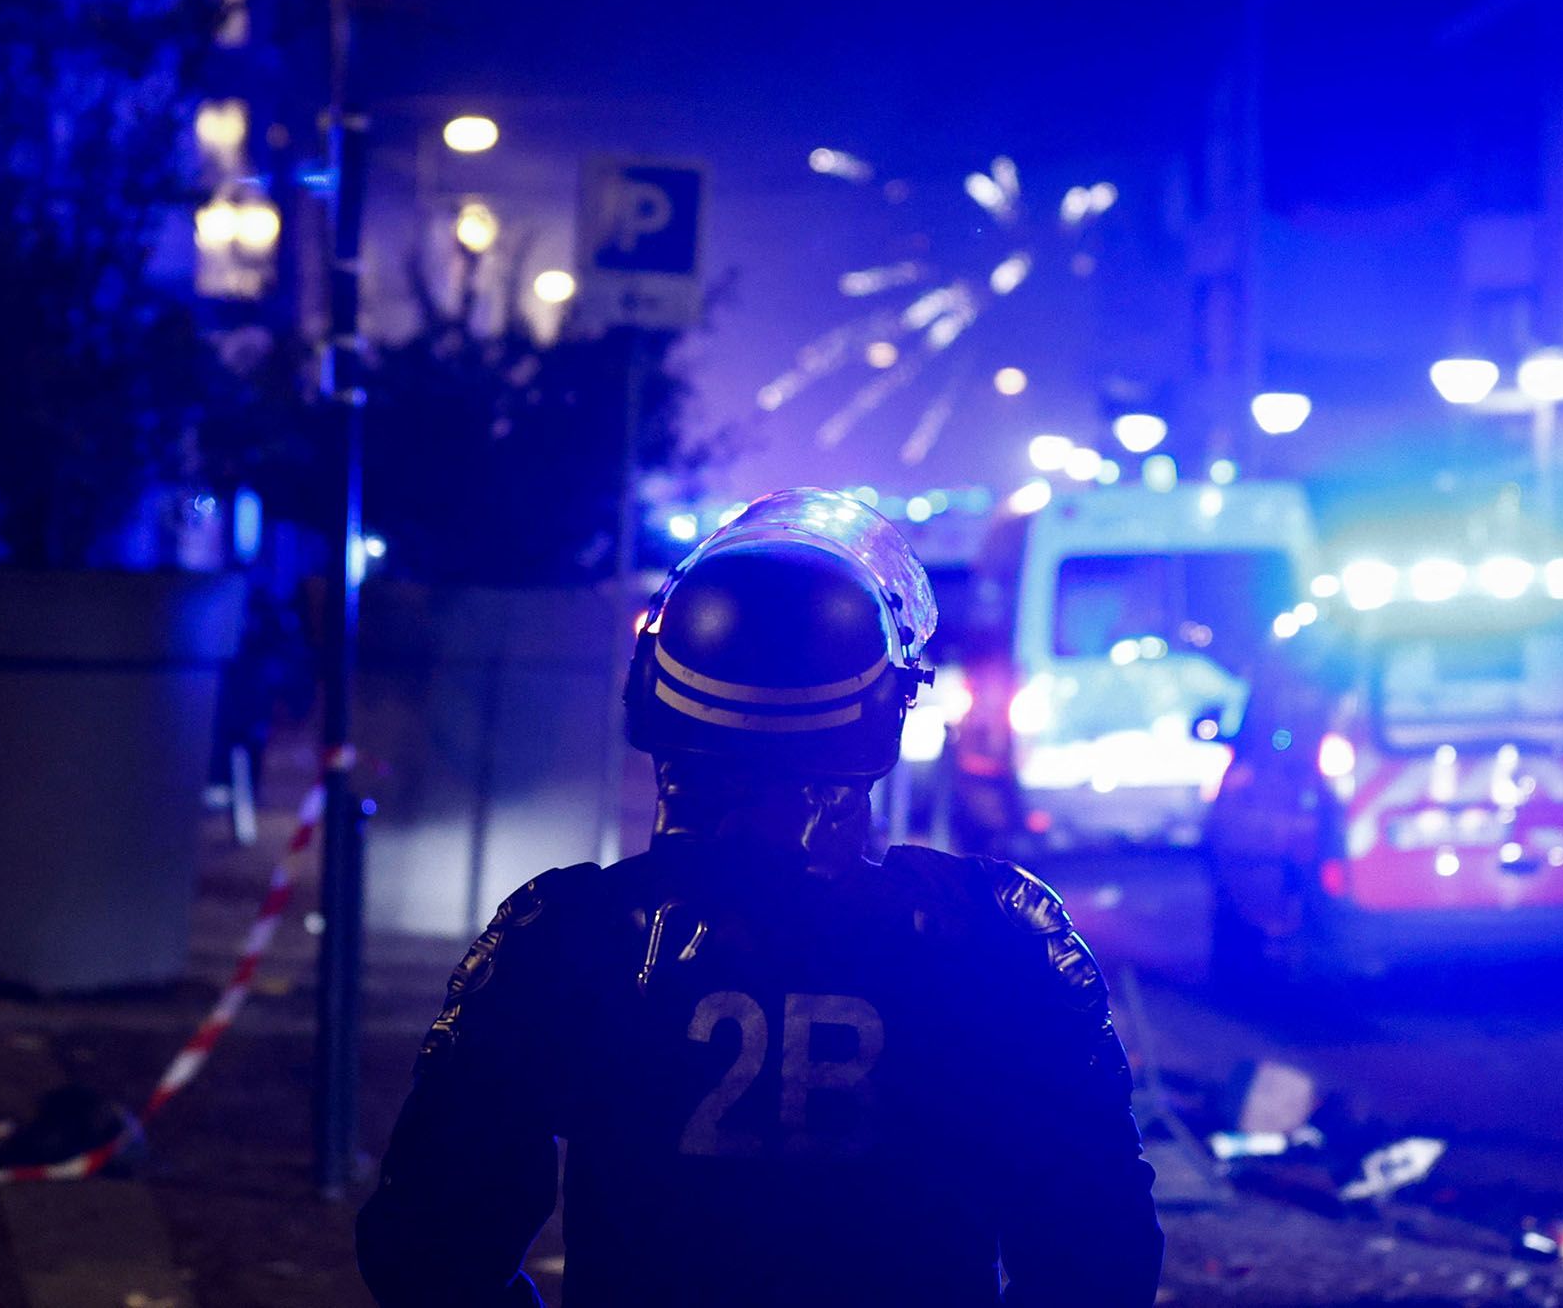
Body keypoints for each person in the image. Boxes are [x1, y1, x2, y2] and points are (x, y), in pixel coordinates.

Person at [357, 489, 1162, 1307]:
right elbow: (1099, 1255)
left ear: (653, 699)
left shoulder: (563, 936)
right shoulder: (995, 935)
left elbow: (426, 1250)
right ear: (882, 717)